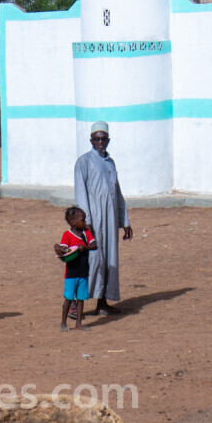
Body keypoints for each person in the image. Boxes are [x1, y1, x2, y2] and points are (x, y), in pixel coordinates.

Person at [73, 121, 132, 315]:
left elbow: (117, 192)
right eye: (96, 138)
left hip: (110, 220)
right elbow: (81, 194)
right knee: (93, 259)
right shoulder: (83, 162)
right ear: (91, 140)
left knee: (109, 260)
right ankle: (75, 304)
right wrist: (85, 221)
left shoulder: (110, 162)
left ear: (108, 140)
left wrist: (125, 221)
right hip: (93, 220)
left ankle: (102, 302)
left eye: (103, 138)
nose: (100, 142)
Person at [54, 206, 96, 331]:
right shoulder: (67, 235)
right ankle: (63, 323)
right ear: (73, 222)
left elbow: (94, 246)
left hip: (83, 272)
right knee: (69, 298)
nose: (85, 222)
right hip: (71, 273)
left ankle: (78, 323)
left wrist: (84, 248)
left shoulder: (86, 233)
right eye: (82, 220)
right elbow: (63, 250)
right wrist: (58, 248)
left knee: (81, 299)